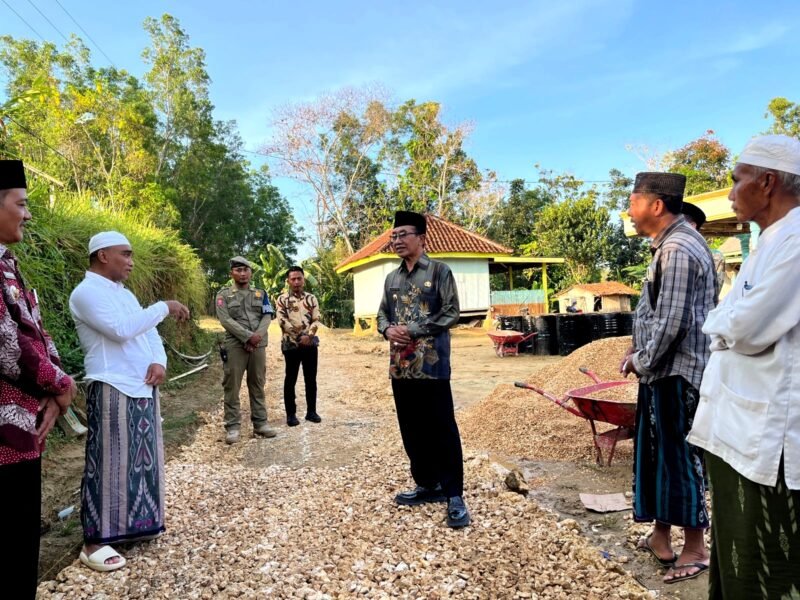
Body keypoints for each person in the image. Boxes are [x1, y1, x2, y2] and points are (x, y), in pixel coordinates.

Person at [687, 134, 800, 599]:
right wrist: (724, 323)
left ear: (767, 182)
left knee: (767, 564)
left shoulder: (794, 242)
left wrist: (719, 323)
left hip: (767, 441)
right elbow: (730, 321)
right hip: (738, 432)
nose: (731, 192)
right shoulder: (770, 243)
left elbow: (747, 327)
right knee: (737, 558)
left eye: (737, 180)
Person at [69, 231, 190, 572]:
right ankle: (95, 540)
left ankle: (136, 526)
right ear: (103, 255)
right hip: (111, 385)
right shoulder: (86, 293)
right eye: (125, 254)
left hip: (141, 386)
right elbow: (122, 329)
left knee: (142, 463)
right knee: (108, 463)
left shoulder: (126, 293)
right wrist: (164, 306)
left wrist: (159, 362)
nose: (131, 261)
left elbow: (148, 333)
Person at [620, 172, 718, 583]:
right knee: (659, 456)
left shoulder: (678, 249)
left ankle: (695, 548)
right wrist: (637, 350)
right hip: (663, 372)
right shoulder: (669, 246)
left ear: (655, 205)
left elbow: (673, 323)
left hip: (676, 373)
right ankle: (661, 536)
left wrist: (642, 360)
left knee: (679, 459)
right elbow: (657, 315)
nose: (629, 210)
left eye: (633, 201)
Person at [0, 160, 77, 598]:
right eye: (21, 204)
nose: (27, 214)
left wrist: (57, 385)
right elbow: (9, 346)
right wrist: (60, 385)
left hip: (24, 427)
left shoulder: (9, 264)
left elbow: (37, 330)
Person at [377, 210, 470, 529]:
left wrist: (413, 330)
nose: (397, 240)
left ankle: (454, 495)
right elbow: (381, 316)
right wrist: (388, 330)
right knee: (412, 429)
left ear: (421, 238)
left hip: (432, 366)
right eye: (394, 236)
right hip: (400, 367)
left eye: (404, 234)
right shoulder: (391, 278)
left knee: (442, 428)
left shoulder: (440, 271)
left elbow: (452, 312)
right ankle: (427, 484)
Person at [215, 256, 277, 444]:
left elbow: (267, 315)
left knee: (257, 383)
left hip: (258, 344)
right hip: (235, 345)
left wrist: (256, 336)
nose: (242, 273)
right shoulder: (223, 295)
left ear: (250, 272)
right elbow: (226, 320)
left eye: (245, 270)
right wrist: (247, 337)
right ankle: (232, 427)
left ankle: (260, 424)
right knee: (232, 385)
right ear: (231, 273)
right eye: (238, 270)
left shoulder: (261, 293)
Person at [275, 266, 321, 426]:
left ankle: (311, 411)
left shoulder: (311, 299)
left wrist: (309, 336)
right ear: (288, 281)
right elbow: (281, 320)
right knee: (291, 379)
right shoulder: (282, 300)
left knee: (311, 379)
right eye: (292, 279)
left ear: (303, 279)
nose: (296, 281)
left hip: (309, 344)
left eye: (299, 278)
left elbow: (316, 319)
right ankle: (291, 414)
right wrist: (298, 336)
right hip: (291, 345)